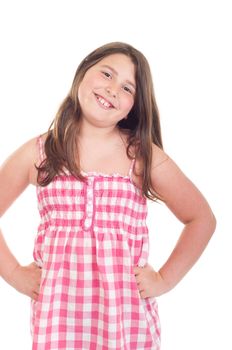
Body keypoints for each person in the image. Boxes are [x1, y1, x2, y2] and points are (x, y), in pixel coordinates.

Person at [0, 42, 216, 350]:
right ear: (83, 71)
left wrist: (165, 280)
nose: (113, 89)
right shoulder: (41, 153)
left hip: (125, 326)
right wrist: (14, 275)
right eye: (106, 74)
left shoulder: (142, 157)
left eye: (128, 88)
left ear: (134, 106)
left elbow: (201, 218)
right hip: (58, 325)